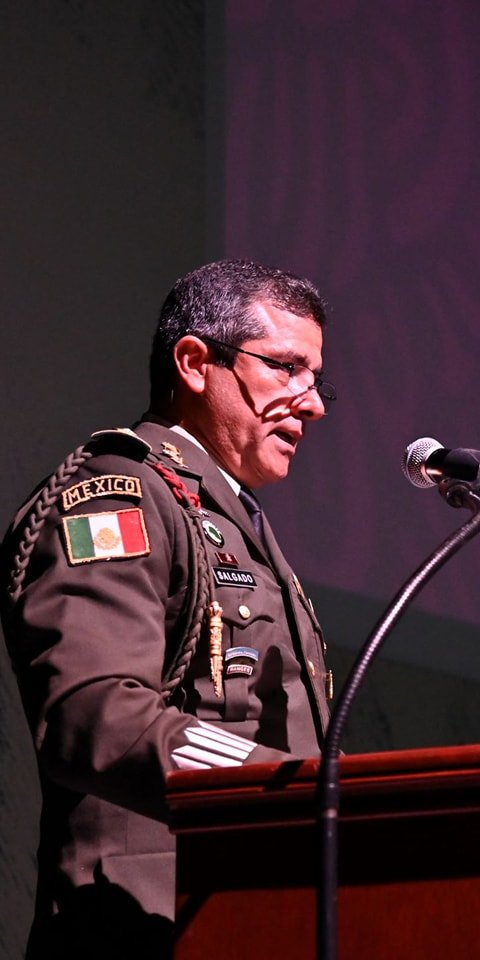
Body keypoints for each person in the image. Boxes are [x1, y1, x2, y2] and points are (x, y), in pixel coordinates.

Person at [0, 259, 336, 959]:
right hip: (146, 927)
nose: (313, 403)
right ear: (193, 362)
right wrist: (282, 793)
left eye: (317, 378)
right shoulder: (119, 492)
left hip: (252, 920)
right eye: (285, 368)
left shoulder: (236, 522)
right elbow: (93, 712)